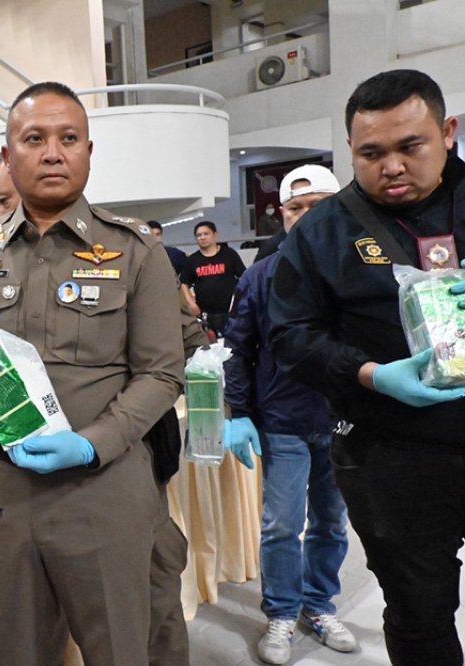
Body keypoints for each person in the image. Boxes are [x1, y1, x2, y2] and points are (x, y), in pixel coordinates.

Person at [0, 81, 185, 665]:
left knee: (119, 647)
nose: (53, 152)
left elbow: (162, 376)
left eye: (69, 138)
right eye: (33, 139)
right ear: (9, 158)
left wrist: (91, 446)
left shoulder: (135, 251)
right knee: (20, 650)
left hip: (101, 486)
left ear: (89, 151)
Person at [268, 69, 465, 666]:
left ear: (448, 132)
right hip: (390, 452)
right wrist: (372, 373)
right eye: (371, 154)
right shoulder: (322, 233)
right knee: (418, 608)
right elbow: (290, 335)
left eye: (411, 146)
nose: (393, 167)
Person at [222, 164, 353, 664]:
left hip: (342, 422)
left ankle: (318, 606)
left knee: (332, 524)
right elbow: (238, 348)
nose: (306, 216)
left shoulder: (360, 272)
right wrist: (240, 413)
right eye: (297, 208)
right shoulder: (260, 276)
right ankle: (281, 612)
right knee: (281, 524)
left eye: (319, 206)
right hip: (282, 422)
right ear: (283, 214)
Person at [180, 220, 246, 337]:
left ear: (215, 235)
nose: (202, 237)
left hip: (229, 312)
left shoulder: (229, 254)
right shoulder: (193, 260)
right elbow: (184, 284)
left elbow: (244, 277)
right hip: (206, 314)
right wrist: (191, 304)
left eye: (206, 234)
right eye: (199, 235)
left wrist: (241, 301)